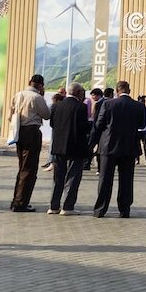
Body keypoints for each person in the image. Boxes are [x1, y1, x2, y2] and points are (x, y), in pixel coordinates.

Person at [91, 81, 142, 219]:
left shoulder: (108, 104)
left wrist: (92, 143)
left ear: (116, 91)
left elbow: (99, 125)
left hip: (108, 147)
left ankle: (100, 209)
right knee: (126, 180)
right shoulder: (138, 106)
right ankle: (125, 210)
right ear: (129, 90)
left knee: (105, 179)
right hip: (129, 148)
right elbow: (142, 126)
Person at [8, 75, 51, 213]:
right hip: (31, 132)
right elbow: (46, 115)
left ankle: (16, 199)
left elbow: (10, 115)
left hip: (19, 132)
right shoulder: (37, 97)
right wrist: (43, 97)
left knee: (22, 167)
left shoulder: (18, 94)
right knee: (29, 168)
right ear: (40, 85)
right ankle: (21, 203)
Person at [47, 84, 91, 214]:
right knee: (72, 177)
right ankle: (67, 207)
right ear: (78, 93)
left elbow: (52, 124)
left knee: (57, 178)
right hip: (76, 146)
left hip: (59, 146)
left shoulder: (56, 105)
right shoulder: (81, 107)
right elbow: (83, 127)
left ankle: (54, 206)